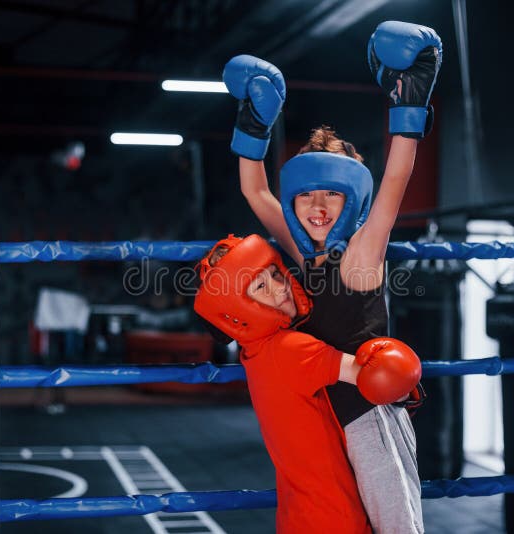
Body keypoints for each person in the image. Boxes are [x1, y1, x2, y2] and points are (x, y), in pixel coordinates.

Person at [222, 21, 442, 534]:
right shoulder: (302, 253)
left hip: (369, 414)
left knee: (396, 527)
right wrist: (254, 121)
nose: (317, 207)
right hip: (321, 413)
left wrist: (410, 101)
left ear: (353, 200)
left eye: (333, 195)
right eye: (306, 194)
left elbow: (396, 178)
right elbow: (255, 192)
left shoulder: (362, 250)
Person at [194, 234, 422, 534]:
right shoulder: (290, 349)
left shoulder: (253, 354)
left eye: (276, 274)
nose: (279, 287)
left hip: (299, 516)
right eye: (260, 286)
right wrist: (403, 381)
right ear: (239, 310)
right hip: (336, 517)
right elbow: (376, 373)